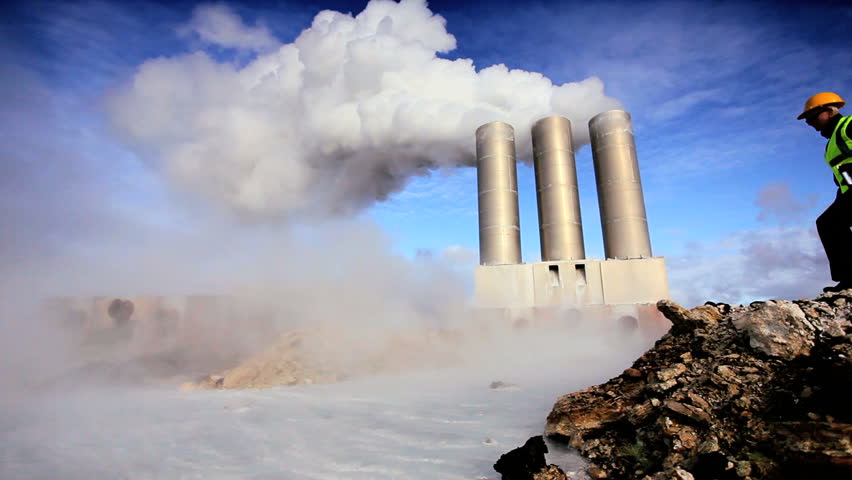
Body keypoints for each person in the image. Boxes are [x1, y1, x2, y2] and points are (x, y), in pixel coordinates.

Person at [797, 92, 852, 292]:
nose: (810, 123)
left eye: (813, 117)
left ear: (829, 111)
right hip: (848, 193)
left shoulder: (848, 126)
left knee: (830, 223)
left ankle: (849, 279)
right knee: (830, 223)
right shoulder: (833, 140)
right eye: (807, 120)